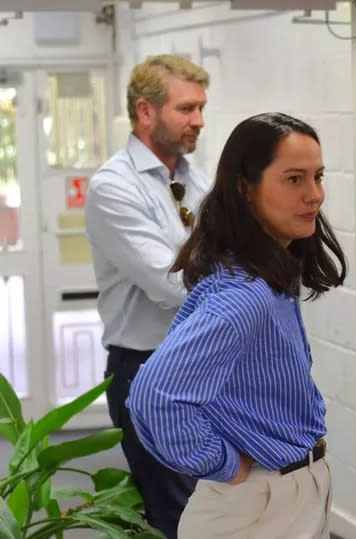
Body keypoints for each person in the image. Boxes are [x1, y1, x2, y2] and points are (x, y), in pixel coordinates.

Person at [127, 112, 346, 539]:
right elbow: (155, 398)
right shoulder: (245, 296)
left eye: (318, 177)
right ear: (247, 188)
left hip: (288, 494)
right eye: (294, 179)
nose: (315, 195)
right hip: (259, 507)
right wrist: (223, 464)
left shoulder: (269, 274)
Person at [84, 54, 210, 538]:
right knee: (181, 518)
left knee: (215, 510)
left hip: (202, 365)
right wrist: (237, 278)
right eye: (186, 109)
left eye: (201, 108)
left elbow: (234, 257)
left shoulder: (196, 179)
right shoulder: (114, 186)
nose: (198, 120)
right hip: (148, 370)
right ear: (145, 111)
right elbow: (169, 285)